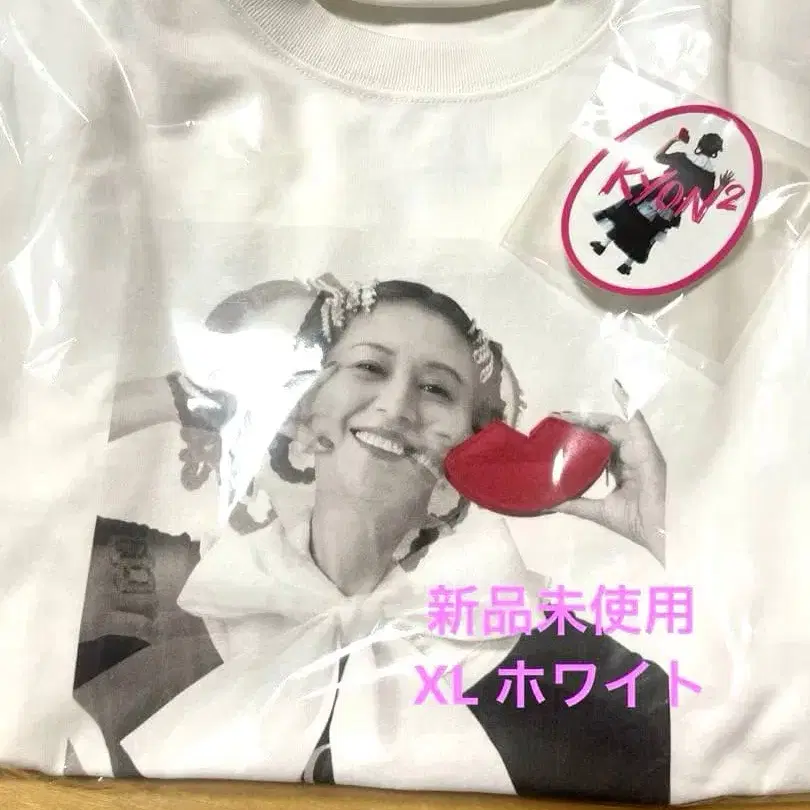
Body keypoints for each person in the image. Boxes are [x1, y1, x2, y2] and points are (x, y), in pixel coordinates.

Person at [72, 275, 670, 802]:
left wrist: (659, 530)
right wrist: (183, 392)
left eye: (437, 389)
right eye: (369, 367)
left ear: (472, 451)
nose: (397, 405)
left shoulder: (550, 654)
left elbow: (710, 742)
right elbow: (34, 490)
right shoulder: (161, 587)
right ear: (305, 410)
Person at [590, 130, 736, 276]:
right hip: (671, 206)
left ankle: (602, 245)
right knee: (649, 233)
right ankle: (626, 265)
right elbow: (707, 200)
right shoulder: (709, 175)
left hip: (653, 193)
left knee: (627, 218)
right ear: (715, 152)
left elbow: (658, 157)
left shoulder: (682, 157)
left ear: (700, 144)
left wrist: (674, 140)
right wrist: (722, 186)